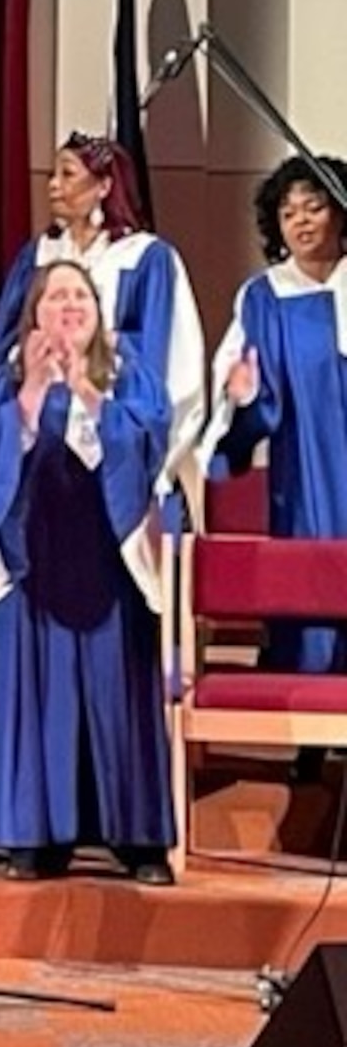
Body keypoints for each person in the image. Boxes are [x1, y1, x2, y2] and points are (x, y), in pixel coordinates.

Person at [0, 259, 175, 884]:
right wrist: (32, 392)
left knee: (118, 695)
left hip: (109, 556)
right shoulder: (0, 381)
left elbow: (149, 439)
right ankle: (35, 836)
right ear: (33, 312)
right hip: (36, 558)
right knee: (39, 693)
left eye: (81, 294)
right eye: (55, 295)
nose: (70, 305)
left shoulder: (127, 372)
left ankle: (137, 839)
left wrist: (85, 389)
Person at [0, 132, 204, 505]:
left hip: (111, 424)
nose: (53, 185)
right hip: (42, 425)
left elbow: (164, 354)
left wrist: (100, 347)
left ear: (103, 185)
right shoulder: (39, 255)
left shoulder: (146, 258)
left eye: (67, 174)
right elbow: (3, 343)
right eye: (52, 175)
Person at [205, 155, 347, 677]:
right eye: (289, 213)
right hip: (306, 480)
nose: (303, 221)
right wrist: (241, 400)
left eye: (315, 207)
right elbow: (241, 413)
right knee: (312, 606)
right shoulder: (263, 299)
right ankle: (308, 754)